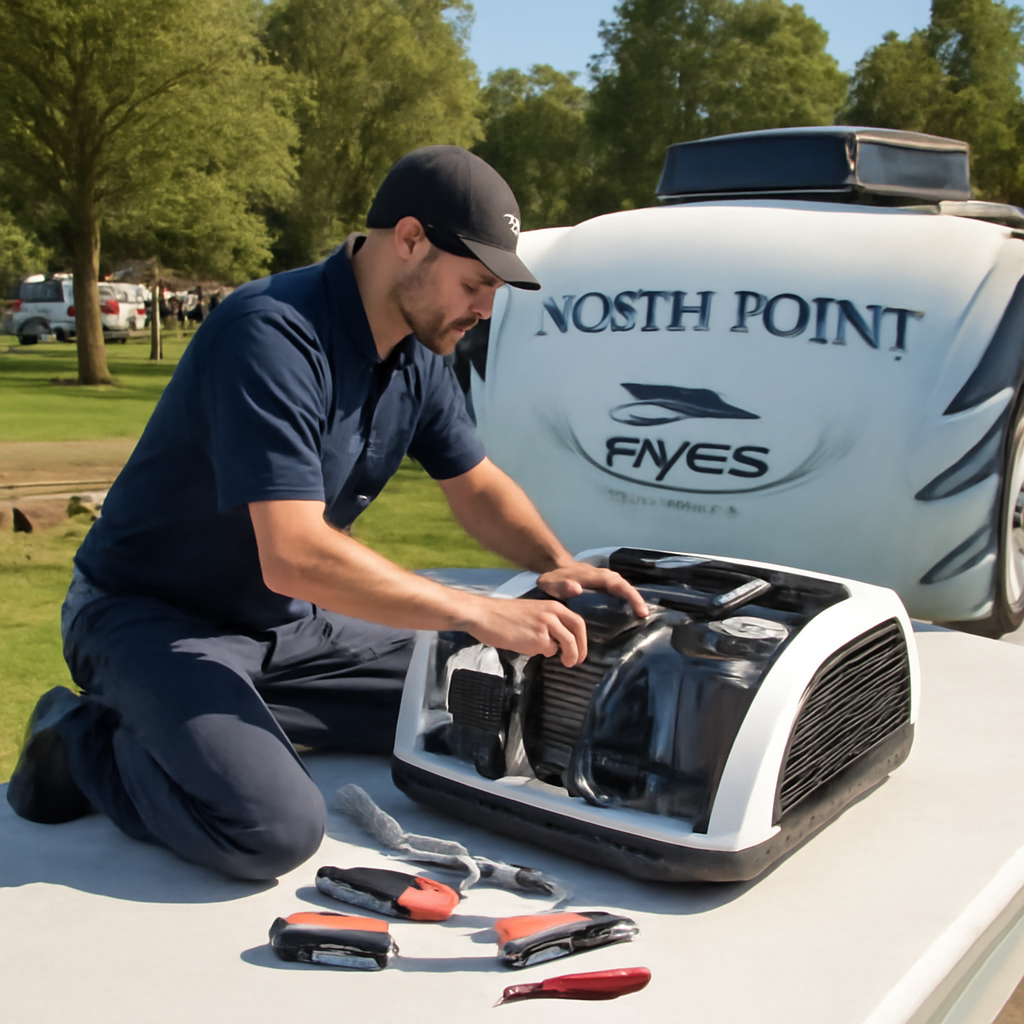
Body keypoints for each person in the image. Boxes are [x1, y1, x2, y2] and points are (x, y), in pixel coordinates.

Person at [6, 146, 648, 880]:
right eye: (475, 283)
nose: (485, 308)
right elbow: (294, 553)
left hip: (289, 626)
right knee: (270, 828)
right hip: (149, 618)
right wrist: (476, 610)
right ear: (410, 239)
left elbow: (476, 485)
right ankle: (81, 737)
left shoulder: (417, 356)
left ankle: (222, 718)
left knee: (477, 700)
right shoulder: (270, 332)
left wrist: (556, 565)